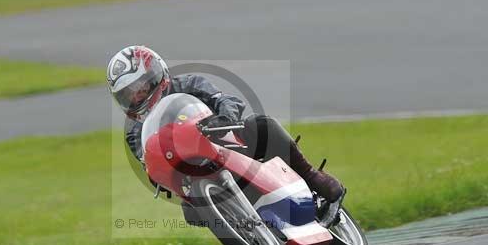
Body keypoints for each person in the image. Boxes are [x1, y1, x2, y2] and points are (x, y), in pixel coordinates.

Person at [107, 45, 345, 220]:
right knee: (191, 213)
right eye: (128, 95)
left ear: (156, 75)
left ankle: (313, 177)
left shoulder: (189, 84)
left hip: (226, 141)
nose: (136, 97)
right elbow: (146, 160)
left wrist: (224, 116)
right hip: (188, 172)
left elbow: (225, 99)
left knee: (262, 125)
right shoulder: (134, 130)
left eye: (139, 88)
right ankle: (244, 231)